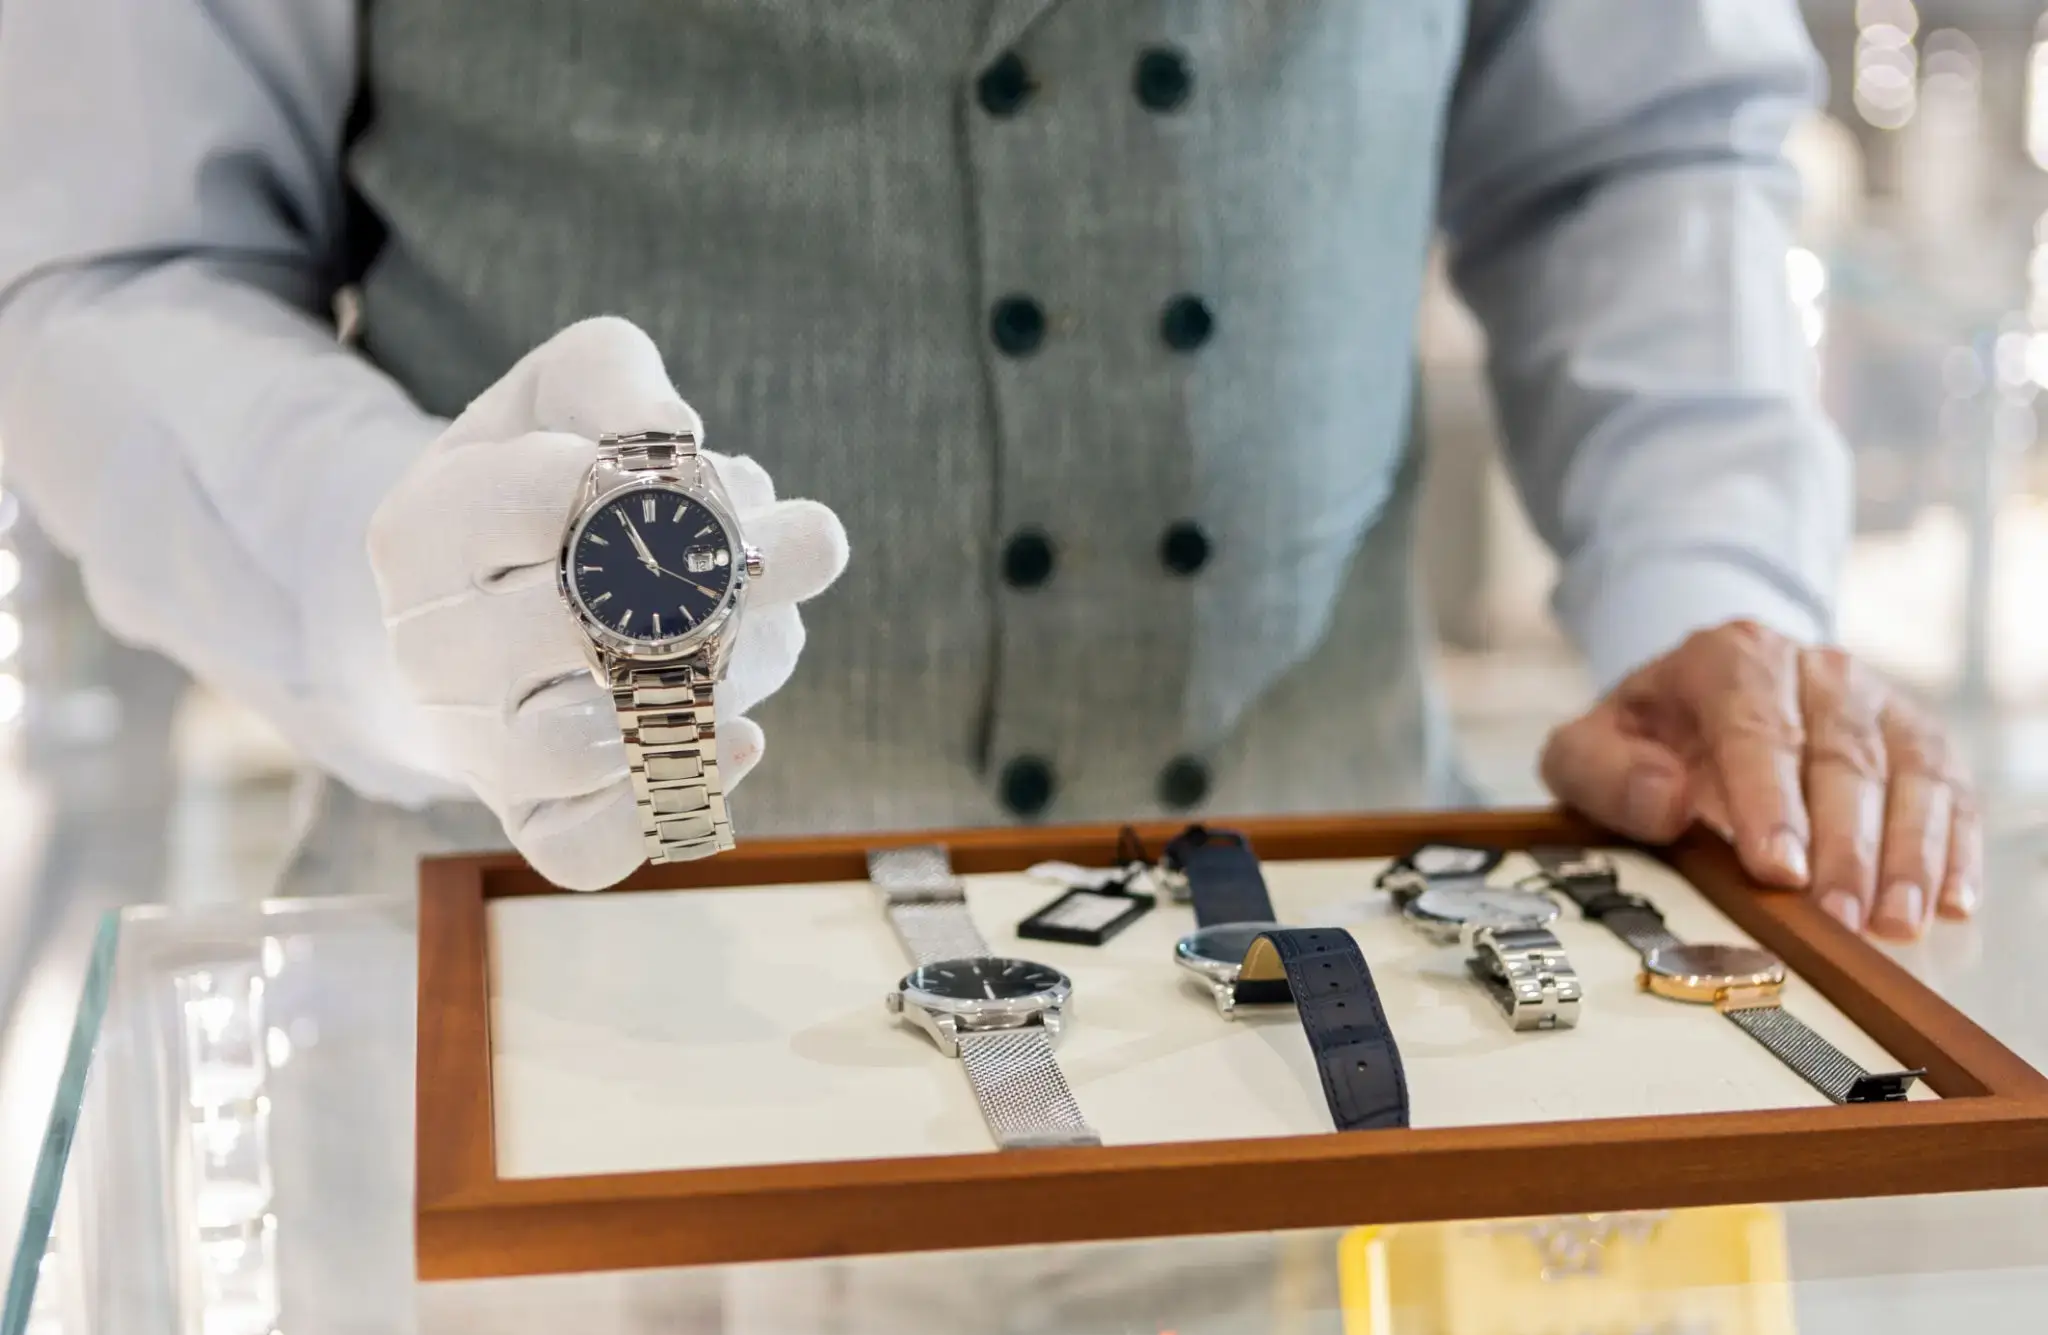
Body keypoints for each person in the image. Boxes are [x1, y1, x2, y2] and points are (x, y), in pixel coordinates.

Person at [0, 6, 1976, 922]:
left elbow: (1631, 138)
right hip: (541, 1094)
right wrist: (403, 595)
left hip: (1329, 1037)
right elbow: (107, 260)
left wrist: (1707, 580)